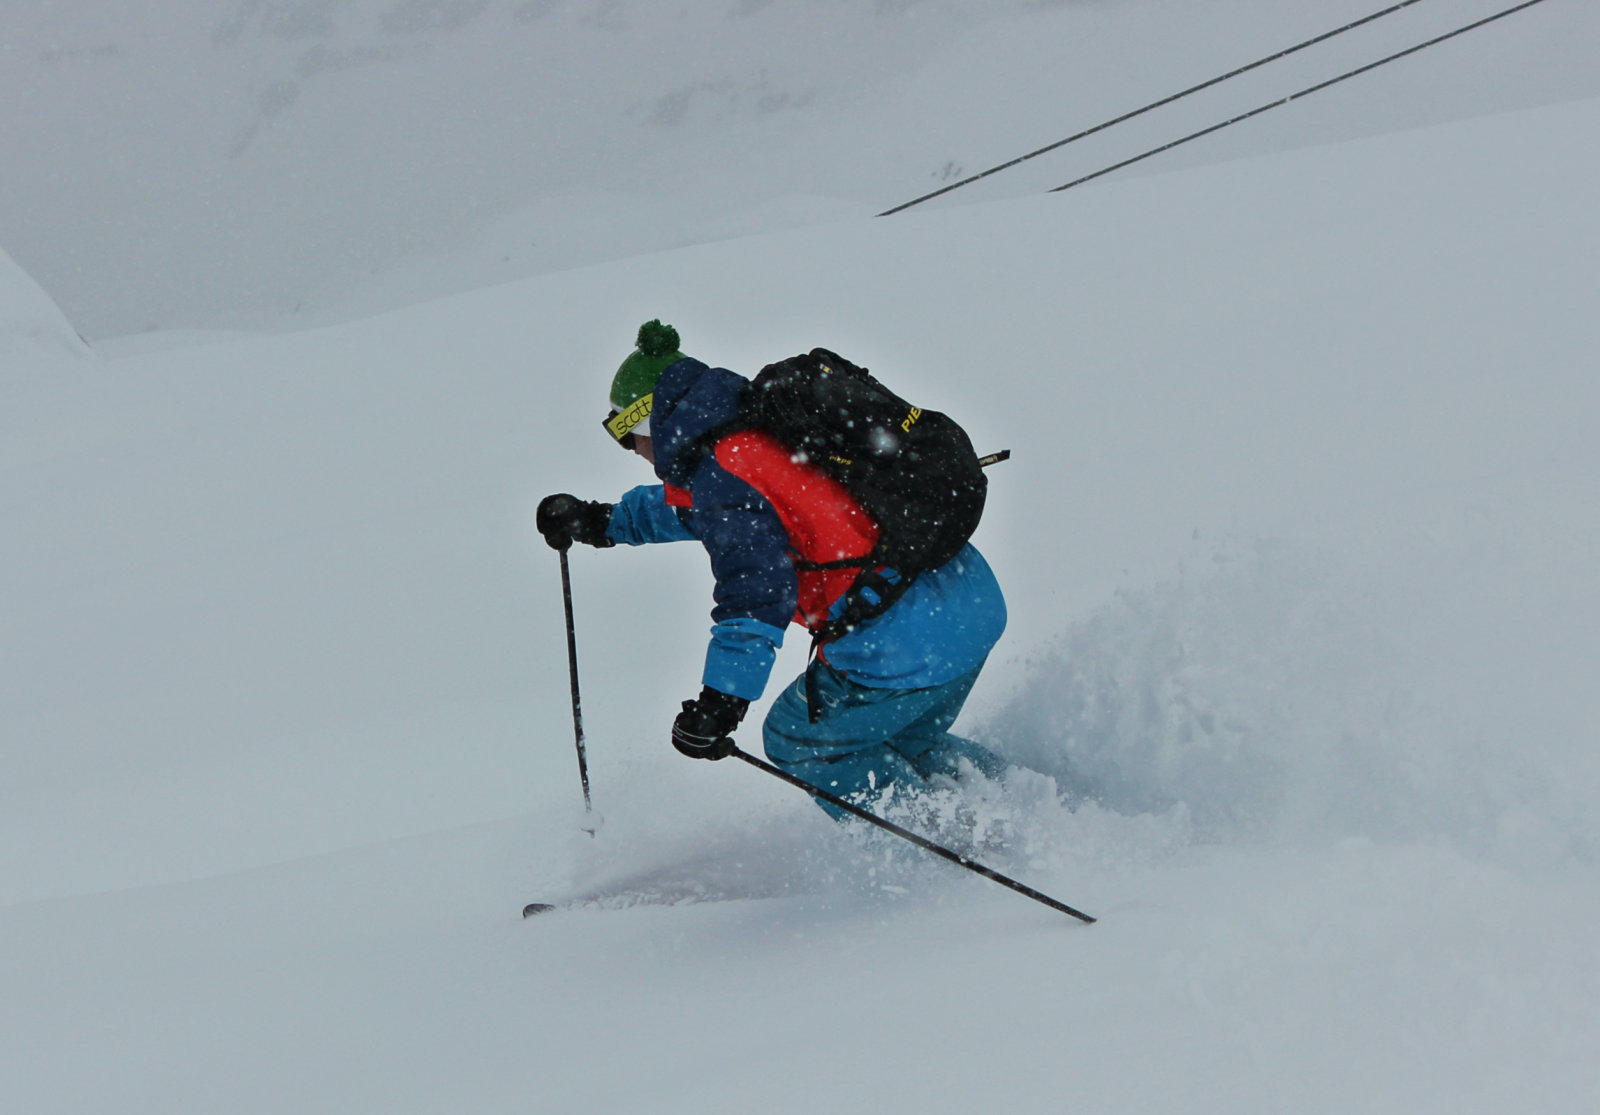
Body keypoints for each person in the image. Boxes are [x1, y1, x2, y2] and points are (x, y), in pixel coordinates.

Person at [537, 320, 1009, 819]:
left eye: (623, 433)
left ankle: (940, 859)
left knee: (797, 739)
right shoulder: (756, 426)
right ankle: (1023, 805)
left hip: (901, 643)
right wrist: (603, 521)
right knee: (910, 743)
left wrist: (723, 700)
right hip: (964, 601)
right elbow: (708, 508)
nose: (630, 450)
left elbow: (755, 592)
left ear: (646, 420)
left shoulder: (725, 470)